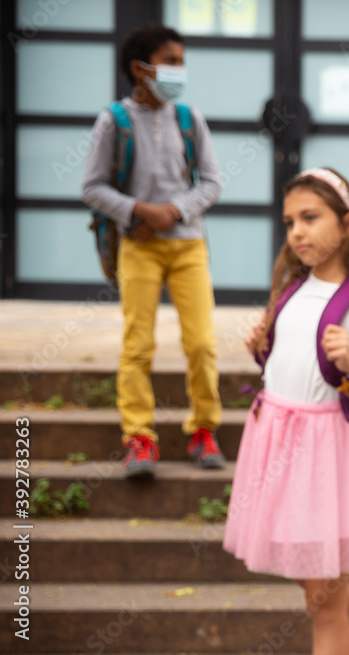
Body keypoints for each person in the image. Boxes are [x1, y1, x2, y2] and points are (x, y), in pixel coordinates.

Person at [224, 167, 349, 655]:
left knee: (322, 600)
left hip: (322, 452)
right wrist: (263, 350)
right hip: (272, 437)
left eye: (310, 217)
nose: (297, 231)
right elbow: (292, 364)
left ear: (348, 222)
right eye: (290, 221)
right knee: (303, 568)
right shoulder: (295, 284)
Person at [81, 23, 223, 478]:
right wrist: (138, 210)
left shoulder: (189, 119)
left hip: (188, 247)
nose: (179, 70)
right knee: (137, 345)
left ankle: (204, 429)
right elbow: (92, 186)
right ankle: (139, 437)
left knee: (200, 343)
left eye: (180, 61)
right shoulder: (113, 121)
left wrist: (172, 212)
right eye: (171, 61)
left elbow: (213, 182)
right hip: (138, 248)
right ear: (141, 69)